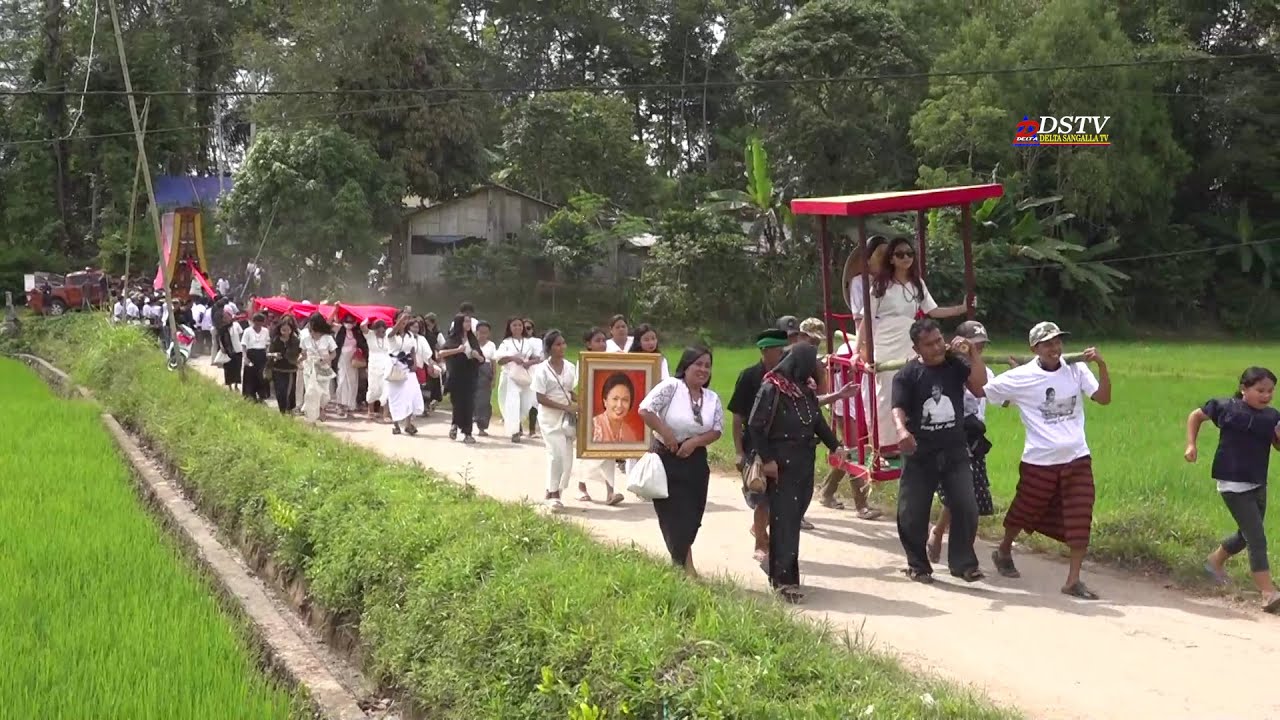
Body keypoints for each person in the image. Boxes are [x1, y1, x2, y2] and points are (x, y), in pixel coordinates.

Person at [985, 321, 1111, 599]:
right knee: (1024, 509)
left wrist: (1102, 366)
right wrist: (971, 359)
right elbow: (987, 391)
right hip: (1039, 460)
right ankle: (1004, 549)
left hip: (1077, 457)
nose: (1054, 348)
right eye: (1047, 344)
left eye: (1057, 342)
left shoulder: (1076, 368)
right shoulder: (1021, 376)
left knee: (1080, 514)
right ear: (1035, 349)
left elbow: (1102, 398)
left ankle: (1073, 580)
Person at [891, 319, 989, 583]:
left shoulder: (955, 366)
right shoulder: (907, 375)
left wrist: (972, 353)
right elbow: (897, 407)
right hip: (920, 453)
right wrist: (902, 430)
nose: (936, 348)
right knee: (912, 512)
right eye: (929, 344)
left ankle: (964, 564)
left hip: (954, 450)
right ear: (916, 348)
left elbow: (979, 388)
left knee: (966, 506)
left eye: (938, 341)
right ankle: (918, 565)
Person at [748, 343, 846, 602]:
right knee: (785, 521)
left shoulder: (805, 390)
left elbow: (817, 422)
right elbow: (755, 427)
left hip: (804, 461)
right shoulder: (772, 388)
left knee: (794, 514)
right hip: (781, 465)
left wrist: (836, 446)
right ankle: (784, 581)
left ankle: (779, 569)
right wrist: (768, 460)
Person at [861, 237, 969, 460]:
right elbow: (866, 319)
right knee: (887, 391)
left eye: (910, 254)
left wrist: (963, 308)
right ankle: (883, 446)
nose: (906, 258)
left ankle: (911, 438)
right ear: (891, 258)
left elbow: (933, 311)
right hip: (886, 341)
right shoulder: (880, 285)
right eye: (900, 254)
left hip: (911, 340)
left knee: (913, 387)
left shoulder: (917, 283)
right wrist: (857, 350)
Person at [1185, 367, 1280, 611]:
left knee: (1246, 534)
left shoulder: (1272, 417)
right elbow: (1195, 416)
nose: (1266, 395)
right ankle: (1268, 593)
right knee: (1257, 538)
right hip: (1232, 483)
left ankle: (1213, 563)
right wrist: (1191, 445)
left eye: (1271, 391)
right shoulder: (1225, 407)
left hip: (1257, 482)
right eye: (1260, 390)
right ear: (1243, 389)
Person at [638, 347, 724, 576]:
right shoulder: (671, 387)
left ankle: (682, 562)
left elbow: (717, 430)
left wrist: (694, 442)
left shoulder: (711, 398)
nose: (703, 370)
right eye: (698, 364)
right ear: (686, 366)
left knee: (693, 515)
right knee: (673, 515)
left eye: (707, 365)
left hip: (695, 461)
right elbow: (645, 410)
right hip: (666, 458)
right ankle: (685, 568)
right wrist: (666, 434)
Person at [928, 320, 998, 563]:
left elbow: (992, 393)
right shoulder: (947, 367)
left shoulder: (984, 371)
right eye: (972, 346)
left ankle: (952, 542)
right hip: (951, 435)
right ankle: (941, 537)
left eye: (981, 346)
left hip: (974, 436)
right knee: (957, 493)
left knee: (971, 495)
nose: (977, 350)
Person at [729, 329, 790, 562]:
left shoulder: (789, 378)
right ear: (764, 351)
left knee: (781, 499)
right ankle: (761, 543)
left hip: (783, 446)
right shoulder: (749, 377)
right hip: (755, 447)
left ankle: (766, 534)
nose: (783, 355)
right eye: (779, 351)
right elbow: (737, 418)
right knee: (762, 497)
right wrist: (738, 451)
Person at [532, 330, 578, 511]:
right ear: (549, 348)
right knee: (556, 454)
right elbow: (540, 397)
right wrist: (566, 407)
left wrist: (580, 401)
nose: (562, 347)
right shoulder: (542, 369)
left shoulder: (570, 367)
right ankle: (553, 494)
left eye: (563, 343)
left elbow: (570, 391)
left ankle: (555, 489)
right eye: (558, 344)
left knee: (567, 457)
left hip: (567, 418)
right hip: (549, 417)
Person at [581, 328, 626, 506]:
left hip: (609, 412)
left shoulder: (611, 360)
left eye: (603, 340)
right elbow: (583, 386)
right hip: (591, 413)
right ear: (588, 344)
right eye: (597, 341)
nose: (602, 344)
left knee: (609, 452)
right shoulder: (583, 361)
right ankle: (581, 487)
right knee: (589, 454)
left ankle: (610, 492)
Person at [495, 317, 542, 442]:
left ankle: (518, 423)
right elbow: (499, 360)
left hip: (525, 376)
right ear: (510, 328)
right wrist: (512, 358)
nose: (517, 328)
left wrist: (529, 362)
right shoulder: (506, 343)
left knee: (526, 403)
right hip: (510, 376)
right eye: (514, 325)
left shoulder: (529, 343)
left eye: (519, 325)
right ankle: (514, 431)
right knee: (512, 403)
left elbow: (538, 358)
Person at [440, 313, 484, 443]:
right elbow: (441, 353)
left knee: (469, 404)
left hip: (470, 375)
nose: (468, 325)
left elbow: (482, 359)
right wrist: (457, 350)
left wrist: (477, 356)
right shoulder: (453, 339)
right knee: (458, 403)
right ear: (460, 323)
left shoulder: (472, 339)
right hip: (456, 375)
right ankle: (455, 425)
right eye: (465, 322)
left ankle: (467, 433)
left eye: (470, 322)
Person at [299, 313, 338, 423]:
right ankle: (312, 419)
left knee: (324, 393)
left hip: (323, 368)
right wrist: (299, 360)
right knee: (311, 392)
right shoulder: (305, 338)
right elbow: (303, 354)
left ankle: (321, 409)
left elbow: (334, 353)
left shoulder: (328, 338)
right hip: (309, 368)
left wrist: (327, 359)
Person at [591, 372, 645, 443]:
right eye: (615, 399)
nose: (619, 405)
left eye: (625, 400)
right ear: (605, 401)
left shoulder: (629, 433)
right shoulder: (593, 426)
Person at [333, 317, 368, 417]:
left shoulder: (357, 332)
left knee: (352, 382)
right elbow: (330, 322)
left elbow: (363, 345)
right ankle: (340, 405)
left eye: (351, 321)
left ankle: (349, 406)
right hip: (342, 359)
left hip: (353, 360)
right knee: (342, 381)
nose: (348, 323)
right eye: (346, 321)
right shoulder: (339, 329)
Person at [267, 319, 301, 414]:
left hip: (290, 369)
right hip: (277, 369)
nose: (286, 332)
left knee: (289, 391)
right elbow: (269, 353)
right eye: (283, 330)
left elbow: (298, 353)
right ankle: (282, 410)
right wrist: (274, 355)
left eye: (288, 330)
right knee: (279, 390)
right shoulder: (276, 339)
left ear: (291, 330)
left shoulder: (295, 340)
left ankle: (289, 409)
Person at [364, 319, 392, 421]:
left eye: (382, 331)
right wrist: (367, 318)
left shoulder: (388, 336)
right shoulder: (370, 335)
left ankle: (385, 414)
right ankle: (370, 411)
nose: (381, 333)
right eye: (378, 331)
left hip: (386, 365)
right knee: (373, 387)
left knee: (386, 388)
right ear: (374, 330)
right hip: (373, 366)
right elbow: (363, 326)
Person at [473, 321, 497, 436]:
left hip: (486, 372)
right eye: (480, 332)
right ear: (476, 332)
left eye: (485, 332)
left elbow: (493, 361)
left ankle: (482, 427)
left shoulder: (491, 345)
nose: (482, 335)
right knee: (472, 398)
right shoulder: (471, 343)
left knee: (484, 401)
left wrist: (494, 377)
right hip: (472, 372)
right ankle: (470, 420)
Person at [240, 313, 272, 402]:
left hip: (261, 354)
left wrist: (267, 353)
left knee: (261, 375)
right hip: (251, 354)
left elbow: (267, 344)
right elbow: (244, 345)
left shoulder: (265, 331)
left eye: (260, 324)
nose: (258, 326)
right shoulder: (247, 331)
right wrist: (245, 357)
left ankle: (262, 394)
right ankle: (250, 394)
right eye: (257, 324)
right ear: (253, 322)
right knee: (250, 375)